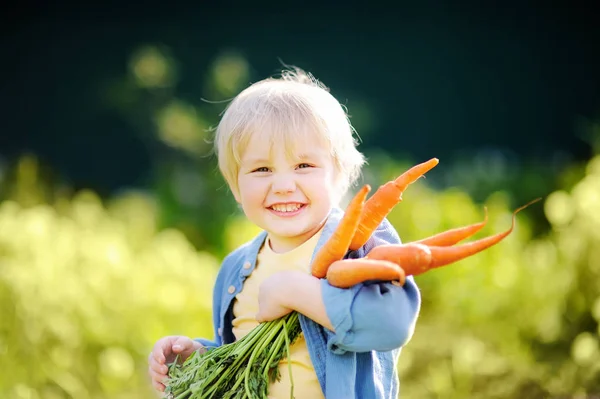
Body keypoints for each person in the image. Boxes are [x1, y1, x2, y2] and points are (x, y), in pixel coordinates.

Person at [148, 67, 421, 398]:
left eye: (303, 166)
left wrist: (298, 293)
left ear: (340, 175)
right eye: (262, 169)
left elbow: (392, 325)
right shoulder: (236, 269)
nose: (283, 186)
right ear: (236, 186)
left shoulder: (360, 244)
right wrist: (198, 357)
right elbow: (240, 358)